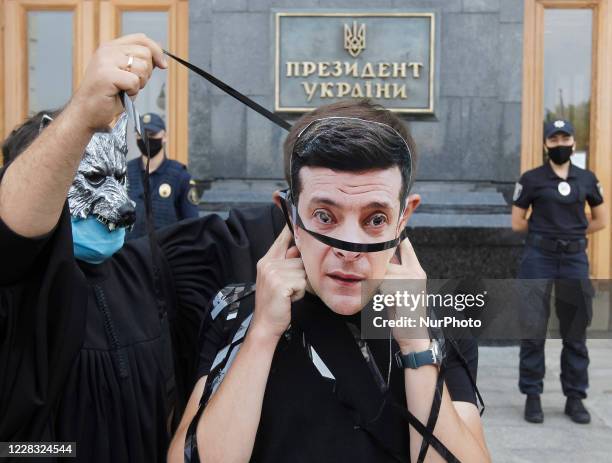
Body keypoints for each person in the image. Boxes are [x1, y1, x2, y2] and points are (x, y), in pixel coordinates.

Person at [0, 34, 286, 462]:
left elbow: (253, 233)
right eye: (94, 180)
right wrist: (80, 116)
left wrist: (333, 169)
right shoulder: (16, 296)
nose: (122, 205)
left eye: (119, 179)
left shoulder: (152, 270)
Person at [169, 103, 491, 463]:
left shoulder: (436, 325)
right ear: (289, 214)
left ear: (403, 219)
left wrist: (415, 342)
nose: (350, 249)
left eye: (375, 219)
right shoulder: (237, 313)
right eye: (325, 216)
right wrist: (262, 333)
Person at [511, 119, 608, 424]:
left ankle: (575, 397)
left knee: (575, 331)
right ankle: (532, 396)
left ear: (573, 143)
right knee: (533, 328)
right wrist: (546, 237)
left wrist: (574, 236)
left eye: (565, 138)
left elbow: (600, 220)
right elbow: (517, 222)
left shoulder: (587, 179)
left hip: (574, 259)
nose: (560, 144)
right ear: (545, 145)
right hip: (539, 257)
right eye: (554, 140)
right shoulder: (531, 179)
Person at [126, 112, 199, 240]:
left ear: (164, 136)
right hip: (129, 255)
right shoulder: (124, 172)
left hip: (166, 255)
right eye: (140, 135)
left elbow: (192, 226)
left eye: (151, 134)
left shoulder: (180, 176)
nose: (146, 139)